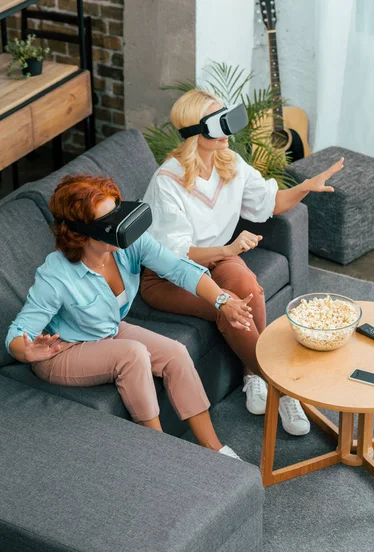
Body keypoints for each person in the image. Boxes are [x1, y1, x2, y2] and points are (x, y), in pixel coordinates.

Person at [6, 174, 258, 460]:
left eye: (118, 211)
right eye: (109, 219)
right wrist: (27, 350)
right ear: (81, 232)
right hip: (62, 351)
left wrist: (221, 300)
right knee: (134, 354)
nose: (122, 224)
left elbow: (178, 268)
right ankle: (157, 454)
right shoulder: (55, 276)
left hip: (107, 331)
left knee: (176, 352)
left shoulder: (129, 245)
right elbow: (18, 331)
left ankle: (214, 448)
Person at [141, 89, 344, 436]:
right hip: (167, 276)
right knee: (229, 307)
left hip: (217, 257)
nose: (230, 133)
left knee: (250, 289)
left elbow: (270, 203)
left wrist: (305, 187)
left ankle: (253, 375)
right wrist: (229, 250)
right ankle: (282, 387)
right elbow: (176, 254)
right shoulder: (167, 181)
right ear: (197, 131)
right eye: (221, 123)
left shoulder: (229, 162)